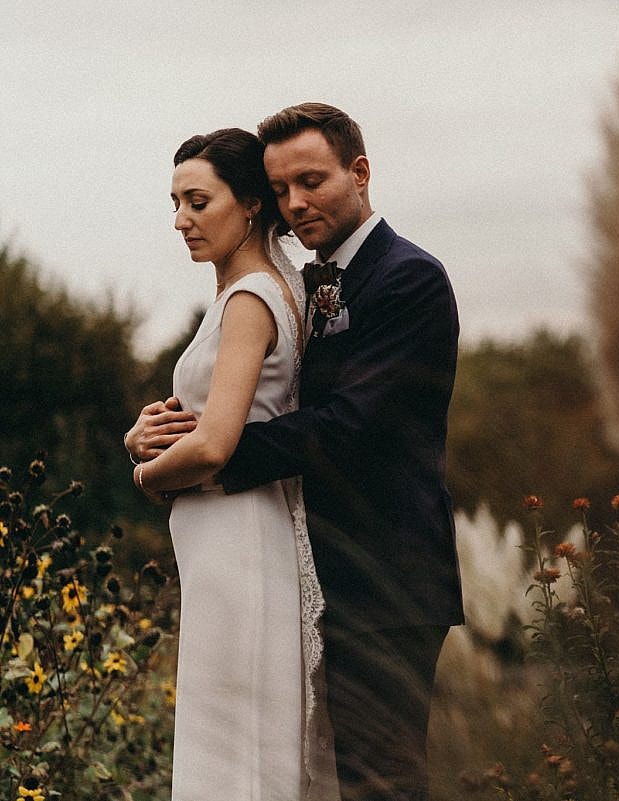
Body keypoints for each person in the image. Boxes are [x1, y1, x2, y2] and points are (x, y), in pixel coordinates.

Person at [128, 103, 464, 801]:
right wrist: (165, 431)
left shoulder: (408, 279)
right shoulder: (310, 283)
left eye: (311, 180)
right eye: (282, 188)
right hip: (314, 565)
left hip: (386, 578)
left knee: (383, 780)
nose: (295, 202)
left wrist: (199, 462)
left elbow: (346, 425)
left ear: (360, 172)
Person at [127, 127, 338, 800]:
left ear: (250, 204)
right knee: (234, 743)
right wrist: (145, 436)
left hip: (240, 542)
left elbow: (217, 443)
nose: (181, 220)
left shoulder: (250, 299)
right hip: (229, 542)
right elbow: (208, 421)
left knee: (235, 756)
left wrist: (142, 476)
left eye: (197, 201)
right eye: (176, 203)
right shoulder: (256, 291)